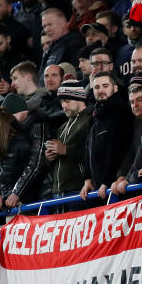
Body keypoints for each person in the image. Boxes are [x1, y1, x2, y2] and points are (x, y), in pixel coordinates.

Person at [80, 72, 136, 201]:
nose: (101, 90)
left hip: (116, 189)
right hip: (99, 189)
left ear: (115, 88)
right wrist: (87, 179)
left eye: (105, 86)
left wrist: (107, 181)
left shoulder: (122, 112)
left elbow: (118, 150)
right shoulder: (94, 115)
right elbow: (89, 150)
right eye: (97, 87)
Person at [45, 79, 92, 198]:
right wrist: (50, 158)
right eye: (61, 101)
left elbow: (93, 154)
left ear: (79, 98)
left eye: (67, 100)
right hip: (58, 191)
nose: (63, 106)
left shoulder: (90, 120)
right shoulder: (62, 128)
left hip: (80, 189)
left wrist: (65, 150)